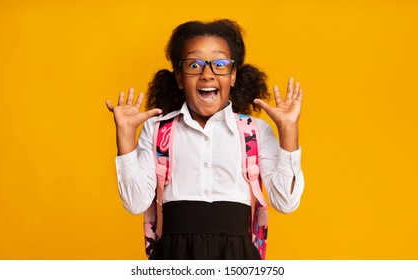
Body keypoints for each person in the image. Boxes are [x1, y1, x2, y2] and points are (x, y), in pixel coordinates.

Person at [105, 19, 304, 260]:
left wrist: (289, 130)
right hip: (174, 256)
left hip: (238, 257)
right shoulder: (157, 130)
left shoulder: (255, 131)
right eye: (194, 64)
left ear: (232, 76)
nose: (207, 74)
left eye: (220, 64)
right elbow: (135, 203)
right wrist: (125, 137)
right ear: (179, 77)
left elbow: (286, 202)